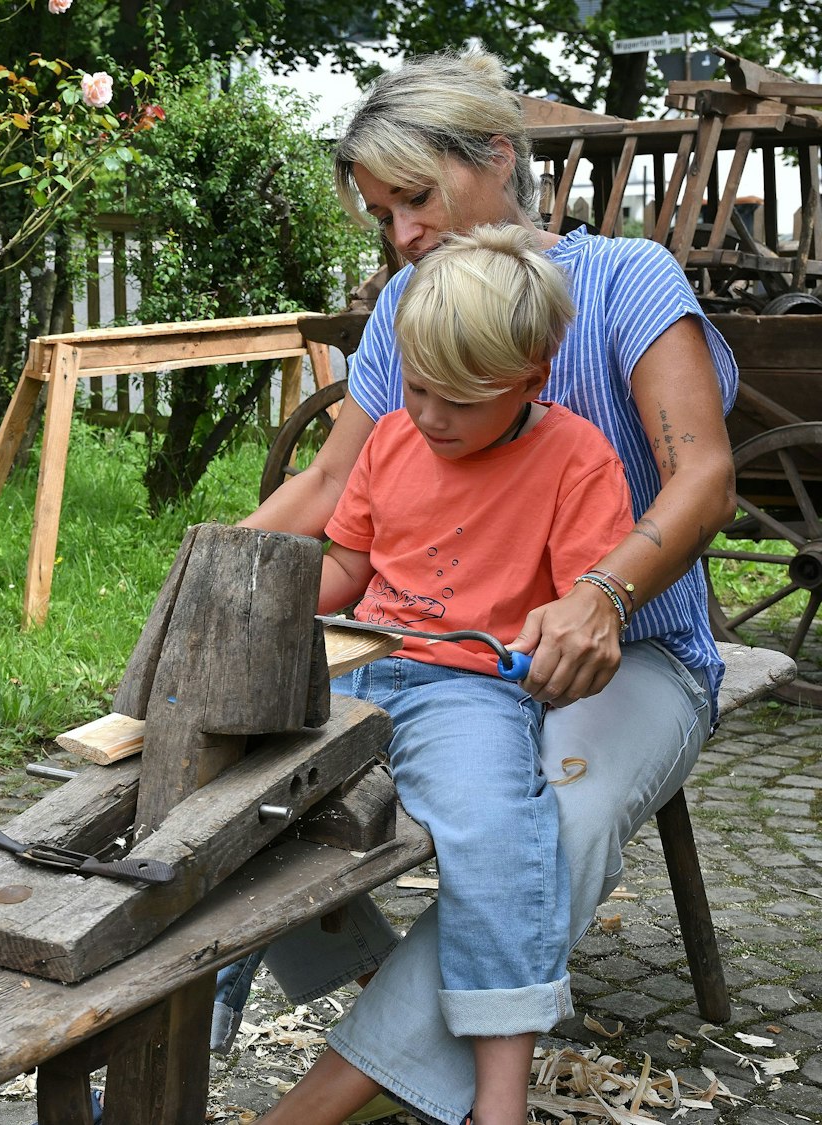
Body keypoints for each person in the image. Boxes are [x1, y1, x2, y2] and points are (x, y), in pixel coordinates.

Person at [235, 52, 739, 1125]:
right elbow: (333, 484)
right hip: (441, 656)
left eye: (414, 198)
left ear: (496, 156)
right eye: (381, 215)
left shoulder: (624, 279)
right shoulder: (409, 308)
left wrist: (601, 593)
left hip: (629, 653)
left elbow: (702, 477)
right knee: (242, 776)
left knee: (552, 811)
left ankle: (326, 1099)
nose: (403, 236)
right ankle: (404, 1007)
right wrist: (208, 590)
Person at [318, 225, 632, 1125]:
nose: (430, 416)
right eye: (417, 387)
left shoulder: (577, 459)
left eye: (460, 399)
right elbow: (346, 567)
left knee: (499, 832)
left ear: (534, 379)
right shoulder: (390, 440)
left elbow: (584, 604)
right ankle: (176, 1045)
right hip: (361, 660)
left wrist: (567, 631)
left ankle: (500, 1102)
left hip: (471, 689)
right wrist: (267, 587)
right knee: (226, 812)